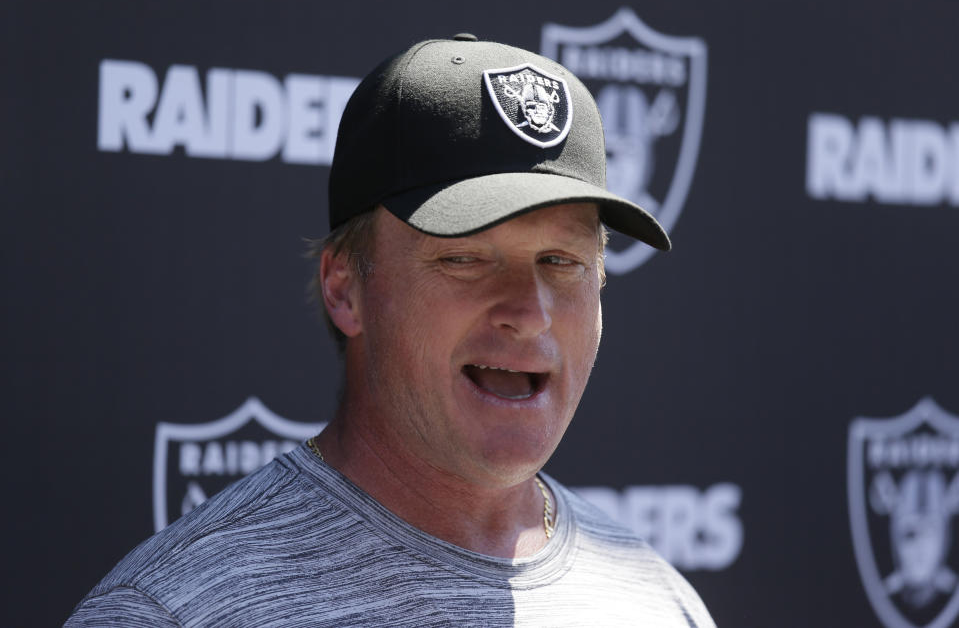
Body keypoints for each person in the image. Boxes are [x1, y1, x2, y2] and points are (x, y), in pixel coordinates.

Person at [66, 34, 715, 627]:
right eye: (463, 258)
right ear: (345, 288)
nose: (530, 312)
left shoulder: (656, 601)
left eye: (562, 262)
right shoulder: (173, 611)